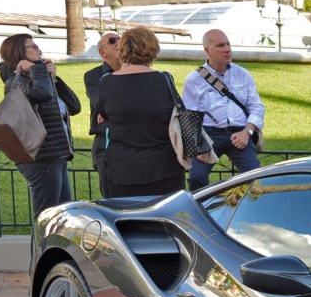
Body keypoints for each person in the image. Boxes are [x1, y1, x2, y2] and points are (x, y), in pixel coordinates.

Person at [0, 33, 80, 222]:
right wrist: (38, 71)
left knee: (61, 214)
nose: (39, 50)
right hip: (40, 157)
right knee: (46, 216)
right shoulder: (16, 81)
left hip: (56, 154)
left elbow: (74, 106)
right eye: (33, 47)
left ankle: (55, 252)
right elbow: (41, 94)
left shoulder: (41, 79)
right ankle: (40, 251)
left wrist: (54, 78)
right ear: (19, 52)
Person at [97, 26, 188, 197]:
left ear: (122, 49)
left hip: (121, 169)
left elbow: (103, 113)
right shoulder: (164, 80)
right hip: (164, 168)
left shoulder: (107, 83)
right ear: (154, 49)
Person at [182, 28, 263, 190]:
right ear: (207, 50)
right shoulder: (194, 79)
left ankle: (247, 208)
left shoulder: (243, 74)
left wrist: (247, 132)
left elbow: (257, 107)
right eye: (220, 45)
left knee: (256, 177)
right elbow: (188, 115)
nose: (227, 49)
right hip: (209, 135)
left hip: (240, 133)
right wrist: (196, 147)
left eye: (228, 44)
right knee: (197, 177)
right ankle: (204, 210)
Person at [84, 31, 122, 196]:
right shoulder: (93, 76)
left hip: (132, 140)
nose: (118, 42)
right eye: (112, 40)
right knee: (112, 196)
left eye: (121, 39)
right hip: (106, 142)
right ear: (102, 52)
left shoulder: (139, 72)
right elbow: (104, 104)